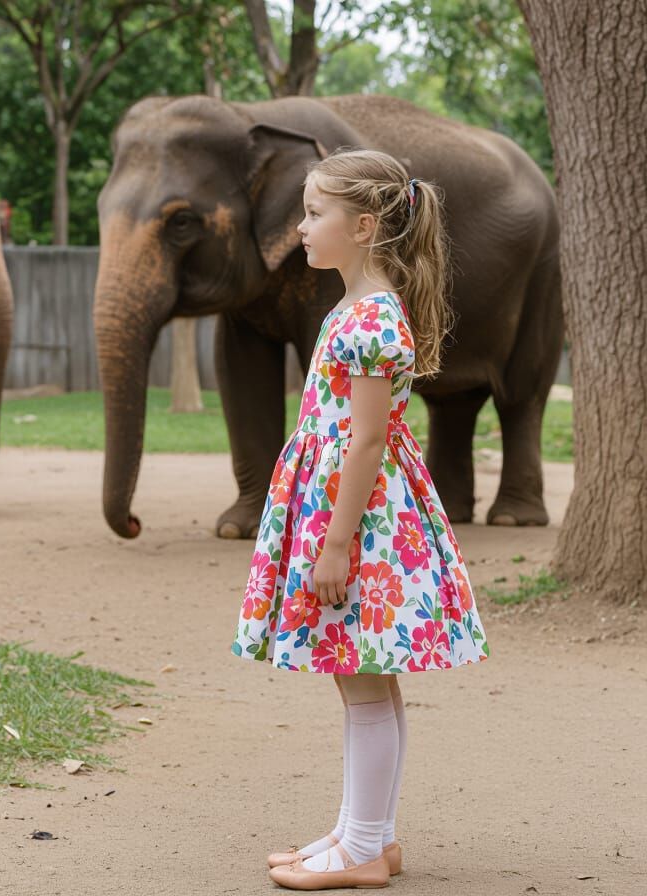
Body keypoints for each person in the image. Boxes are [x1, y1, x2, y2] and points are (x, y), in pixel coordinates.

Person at [231, 149, 489, 890]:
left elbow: (370, 438)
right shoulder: (357, 307)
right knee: (362, 680)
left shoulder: (372, 318)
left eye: (314, 213)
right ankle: (361, 831)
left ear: (366, 225)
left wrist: (336, 543)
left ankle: (366, 849)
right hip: (350, 510)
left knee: (364, 680)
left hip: (364, 521)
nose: (301, 228)